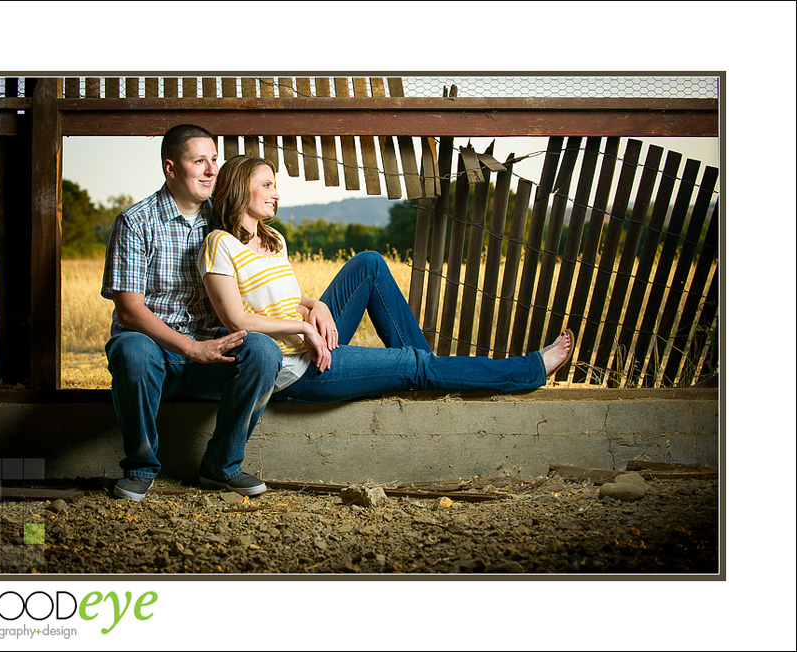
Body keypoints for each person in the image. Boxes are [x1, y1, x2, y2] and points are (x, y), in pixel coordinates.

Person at [198, 155, 573, 406]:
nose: (276, 194)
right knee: (414, 365)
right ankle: (528, 370)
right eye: (266, 185)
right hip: (292, 372)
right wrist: (305, 328)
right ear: (238, 186)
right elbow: (238, 321)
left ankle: (429, 371)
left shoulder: (273, 240)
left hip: (311, 345)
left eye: (275, 185)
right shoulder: (219, 244)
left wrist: (316, 305)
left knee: (370, 263)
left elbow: (279, 302)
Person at [101, 126, 282, 501]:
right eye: (198, 161)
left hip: (210, 352)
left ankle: (222, 466)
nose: (211, 170)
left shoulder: (224, 218)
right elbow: (130, 310)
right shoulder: (136, 222)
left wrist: (313, 306)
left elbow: (264, 276)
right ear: (171, 168)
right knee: (131, 349)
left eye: (214, 160)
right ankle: (140, 467)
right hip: (155, 355)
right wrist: (189, 348)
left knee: (263, 351)